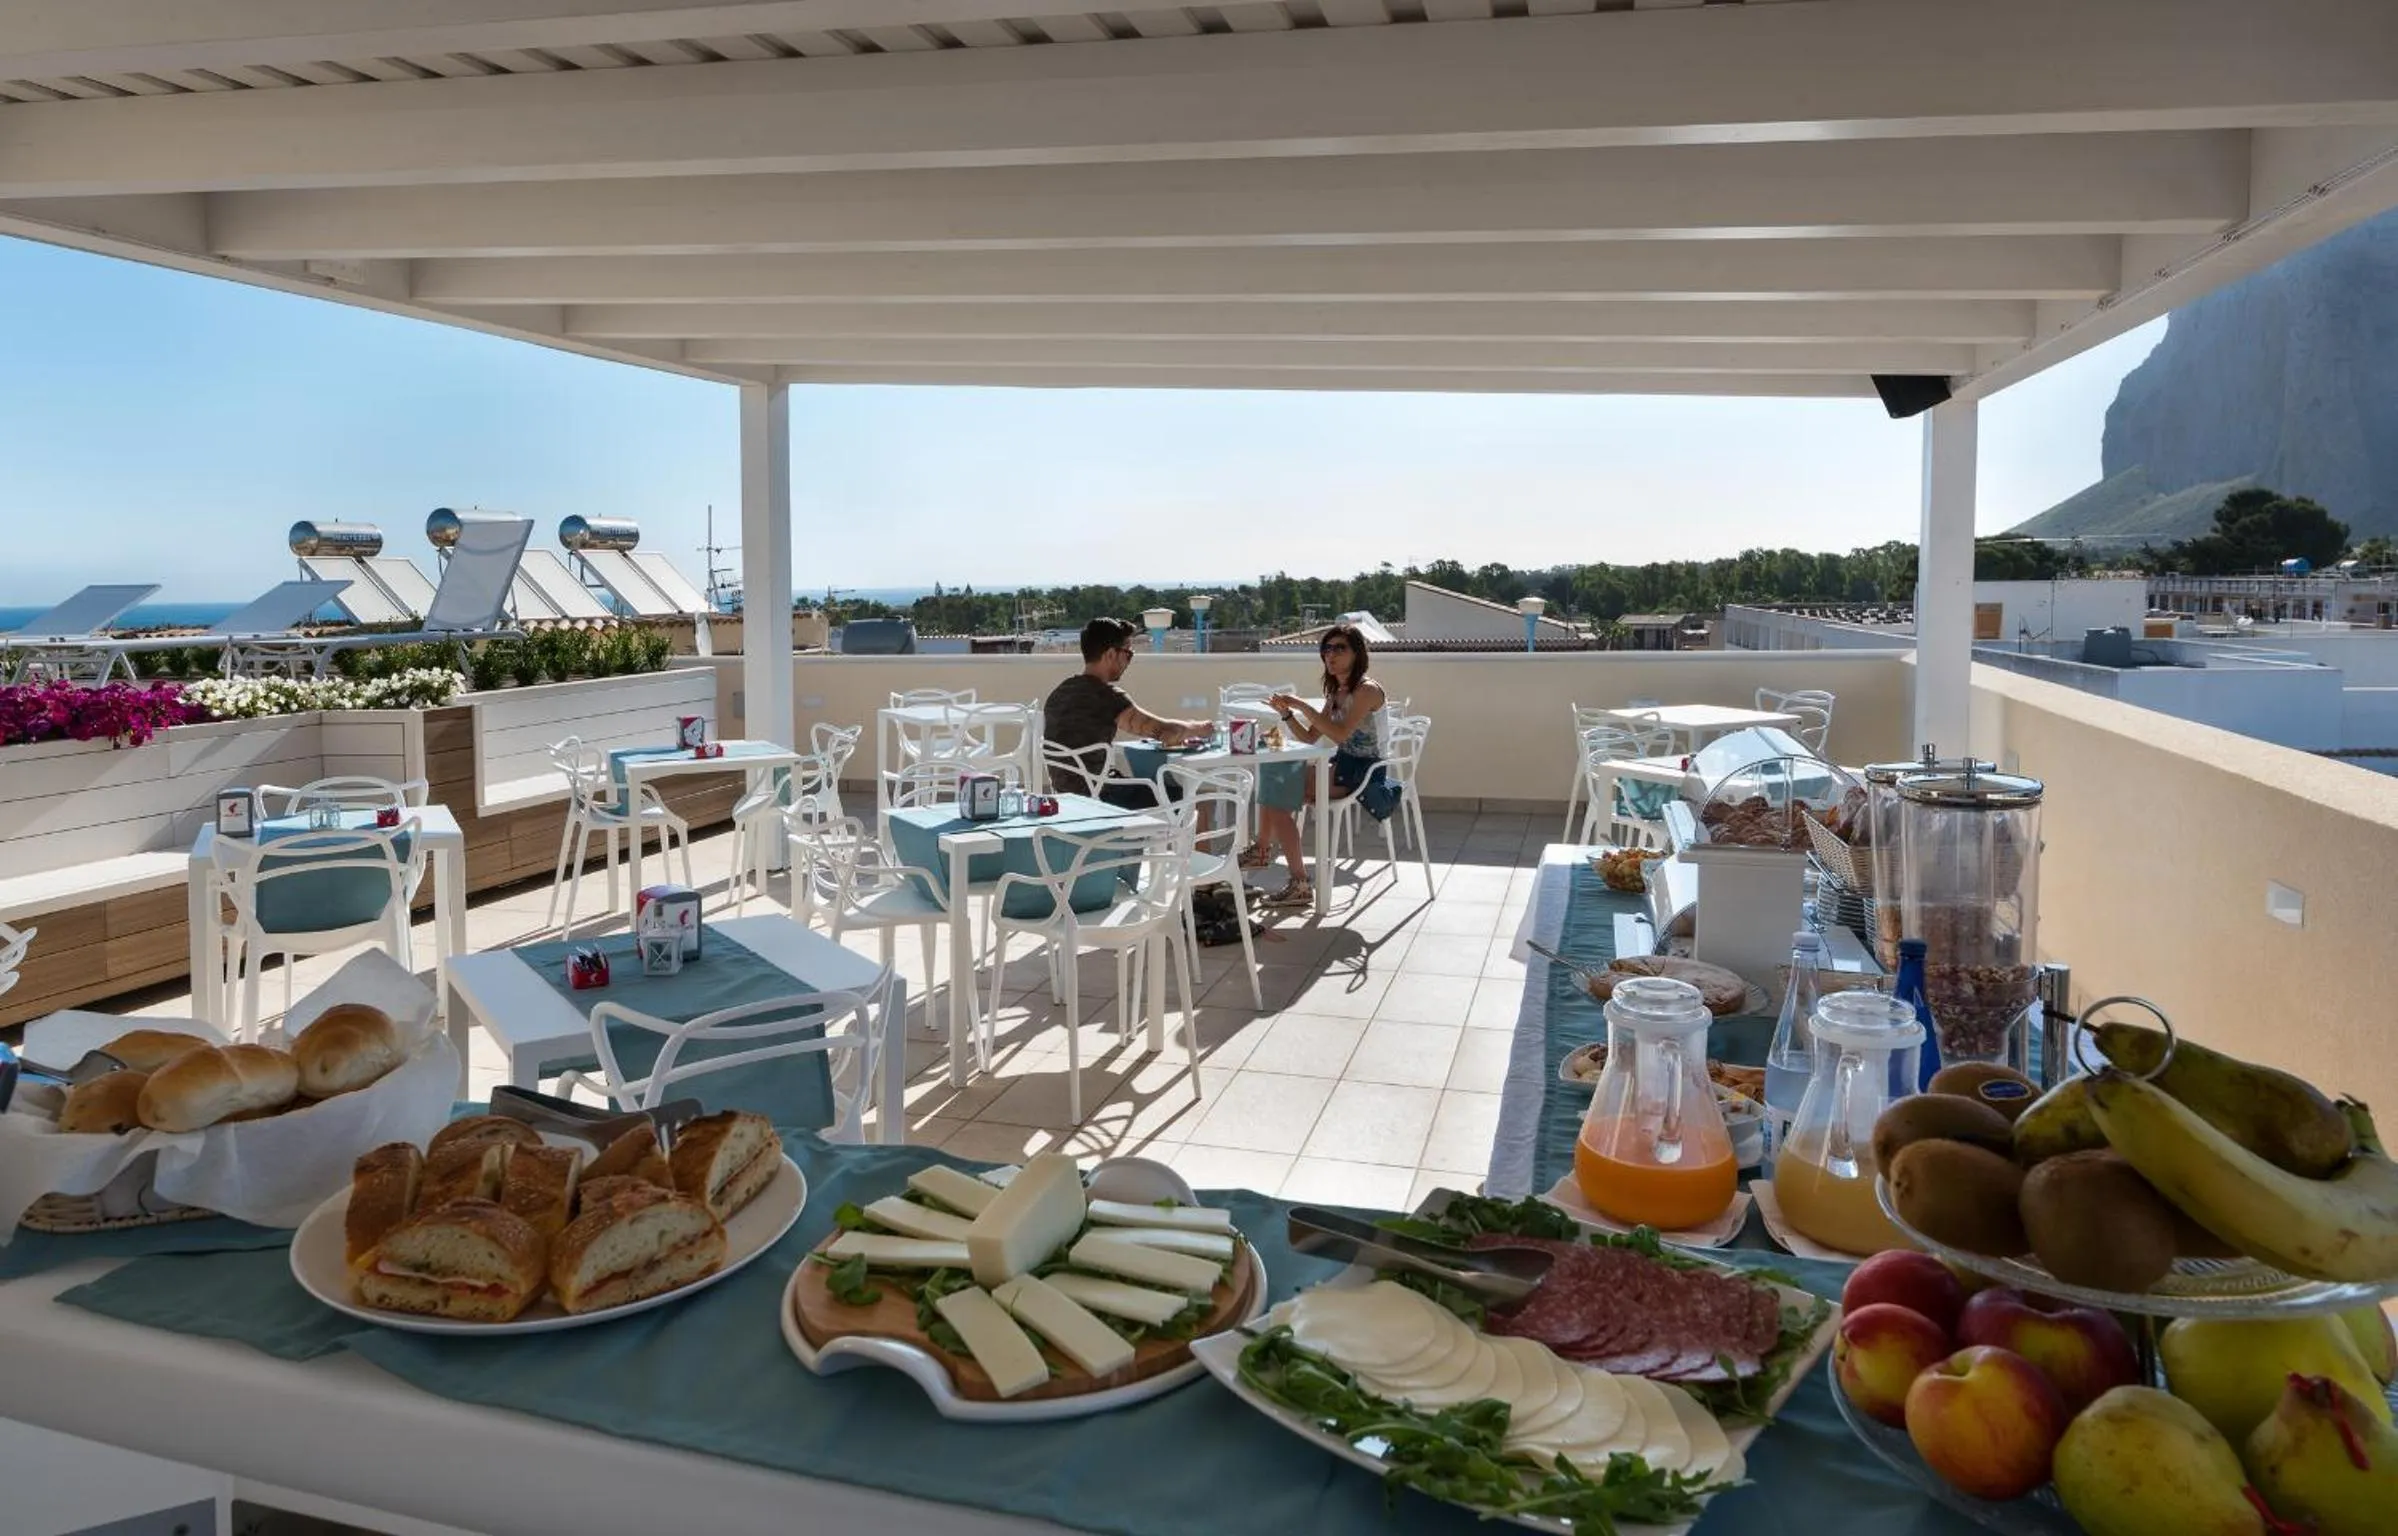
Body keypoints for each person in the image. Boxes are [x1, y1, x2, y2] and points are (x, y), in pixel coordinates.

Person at [1256, 621, 1397, 908]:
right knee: (1275, 782)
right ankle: (1269, 857)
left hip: (1363, 772)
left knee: (1277, 792)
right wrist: (1286, 715)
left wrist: (1303, 706)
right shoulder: (1337, 692)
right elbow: (1309, 738)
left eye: (1339, 648)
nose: (1330, 655)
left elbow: (1340, 733)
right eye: (1326, 649)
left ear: (1357, 653)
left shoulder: (1366, 690)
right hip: (1341, 766)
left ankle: (1278, 865)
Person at [1043, 617, 1209, 810]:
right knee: (1193, 799)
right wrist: (1201, 728)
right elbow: (1166, 732)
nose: (1128, 661)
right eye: (1128, 653)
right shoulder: (1107, 698)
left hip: (1066, 798)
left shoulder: (1059, 693)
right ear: (1111, 654)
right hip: (1101, 797)